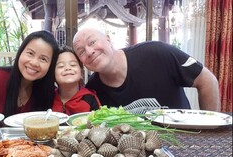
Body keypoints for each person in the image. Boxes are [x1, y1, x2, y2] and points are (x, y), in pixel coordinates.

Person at [72, 28, 220, 111]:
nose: (89, 51)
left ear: (108, 39)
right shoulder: (93, 89)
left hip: (184, 142)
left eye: (92, 42)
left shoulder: (156, 53)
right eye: (81, 51)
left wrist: (209, 135)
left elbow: (207, 81)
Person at [52, 46, 101, 115]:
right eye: (61, 66)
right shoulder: (49, 97)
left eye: (72, 65)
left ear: (81, 73)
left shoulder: (90, 98)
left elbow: (99, 123)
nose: (68, 68)